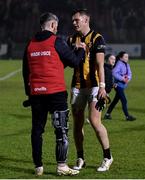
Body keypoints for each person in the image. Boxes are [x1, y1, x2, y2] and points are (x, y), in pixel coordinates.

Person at [22, 12, 86, 176]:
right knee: (61, 129)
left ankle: (38, 166)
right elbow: (74, 62)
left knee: (37, 130)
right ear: (52, 25)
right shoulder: (56, 41)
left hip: (36, 94)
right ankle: (61, 166)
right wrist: (81, 50)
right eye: (56, 26)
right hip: (55, 92)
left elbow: (26, 72)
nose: (57, 29)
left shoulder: (29, 44)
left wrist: (29, 93)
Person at [68, 9, 113, 172]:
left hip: (94, 86)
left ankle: (108, 157)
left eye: (77, 20)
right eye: (73, 20)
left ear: (86, 20)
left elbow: (101, 65)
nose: (74, 23)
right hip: (77, 86)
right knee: (77, 123)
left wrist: (102, 86)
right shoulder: (71, 39)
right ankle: (80, 158)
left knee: (94, 121)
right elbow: (66, 61)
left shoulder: (97, 38)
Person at [104, 51, 136, 121]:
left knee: (115, 100)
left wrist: (128, 79)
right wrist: (122, 79)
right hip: (118, 85)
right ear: (121, 58)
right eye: (125, 57)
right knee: (124, 100)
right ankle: (127, 116)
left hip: (122, 85)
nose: (127, 58)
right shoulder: (119, 64)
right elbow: (114, 73)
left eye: (127, 57)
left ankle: (107, 114)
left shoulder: (127, 64)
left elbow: (130, 73)